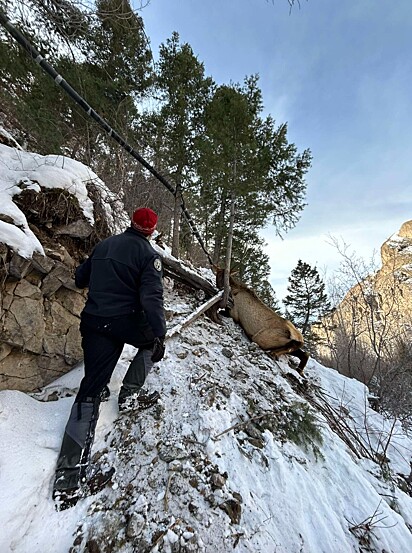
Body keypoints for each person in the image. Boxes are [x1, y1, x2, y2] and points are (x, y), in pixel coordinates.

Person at [52, 207, 166, 508]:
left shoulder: (104, 246)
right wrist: (160, 334)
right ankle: (129, 395)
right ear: (152, 230)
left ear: (131, 223)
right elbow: (151, 298)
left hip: (94, 322)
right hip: (126, 323)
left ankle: (67, 476)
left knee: (90, 387)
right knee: (149, 344)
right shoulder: (149, 257)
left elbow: (79, 279)